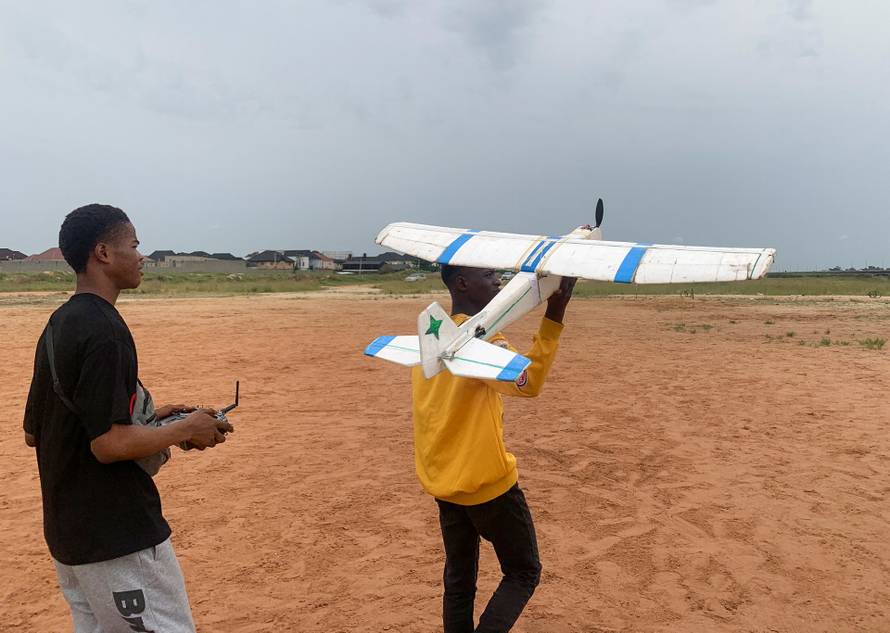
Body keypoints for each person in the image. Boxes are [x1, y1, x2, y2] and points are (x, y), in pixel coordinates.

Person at [22, 203, 233, 633]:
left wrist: (156, 419)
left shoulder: (60, 322)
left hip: (69, 536)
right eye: (134, 245)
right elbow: (108, 444)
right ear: (103, 253)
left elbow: (34, 431)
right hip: (116, 536)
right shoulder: (106, 330)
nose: (142, 256)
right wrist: (185, 429)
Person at [412, 265, 576, 633]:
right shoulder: (484, 344)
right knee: (523, 572)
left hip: (443, 482)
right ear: (463, 283)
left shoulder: (430, 337)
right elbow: (528, 382)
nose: (498, 280)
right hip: (488, 486)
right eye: (488, 275)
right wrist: (556, 309)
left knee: (459, 578)